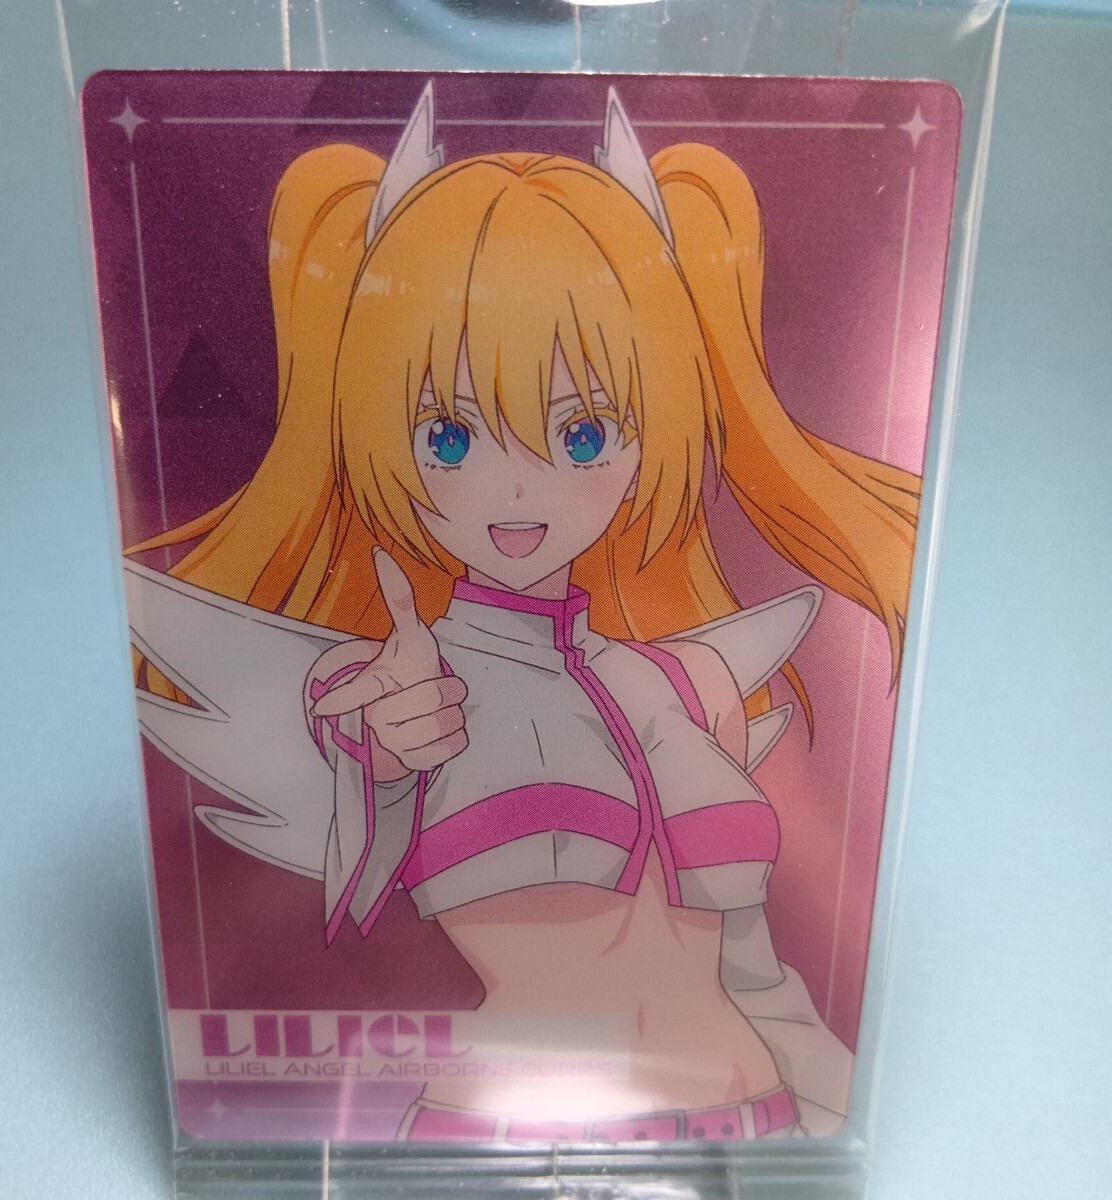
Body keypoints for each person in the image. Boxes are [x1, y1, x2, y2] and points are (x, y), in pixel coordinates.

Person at [129, 83, 919, 1141]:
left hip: (743, 1122)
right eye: (450, 437)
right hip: (493, 1137)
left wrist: (829, 1120)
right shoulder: (392, 689)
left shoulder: (694, 684)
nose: (516, 490)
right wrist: (381, 744)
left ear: (653, 424)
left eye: (583, 434)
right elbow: (357, 768)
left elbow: (753, 968)